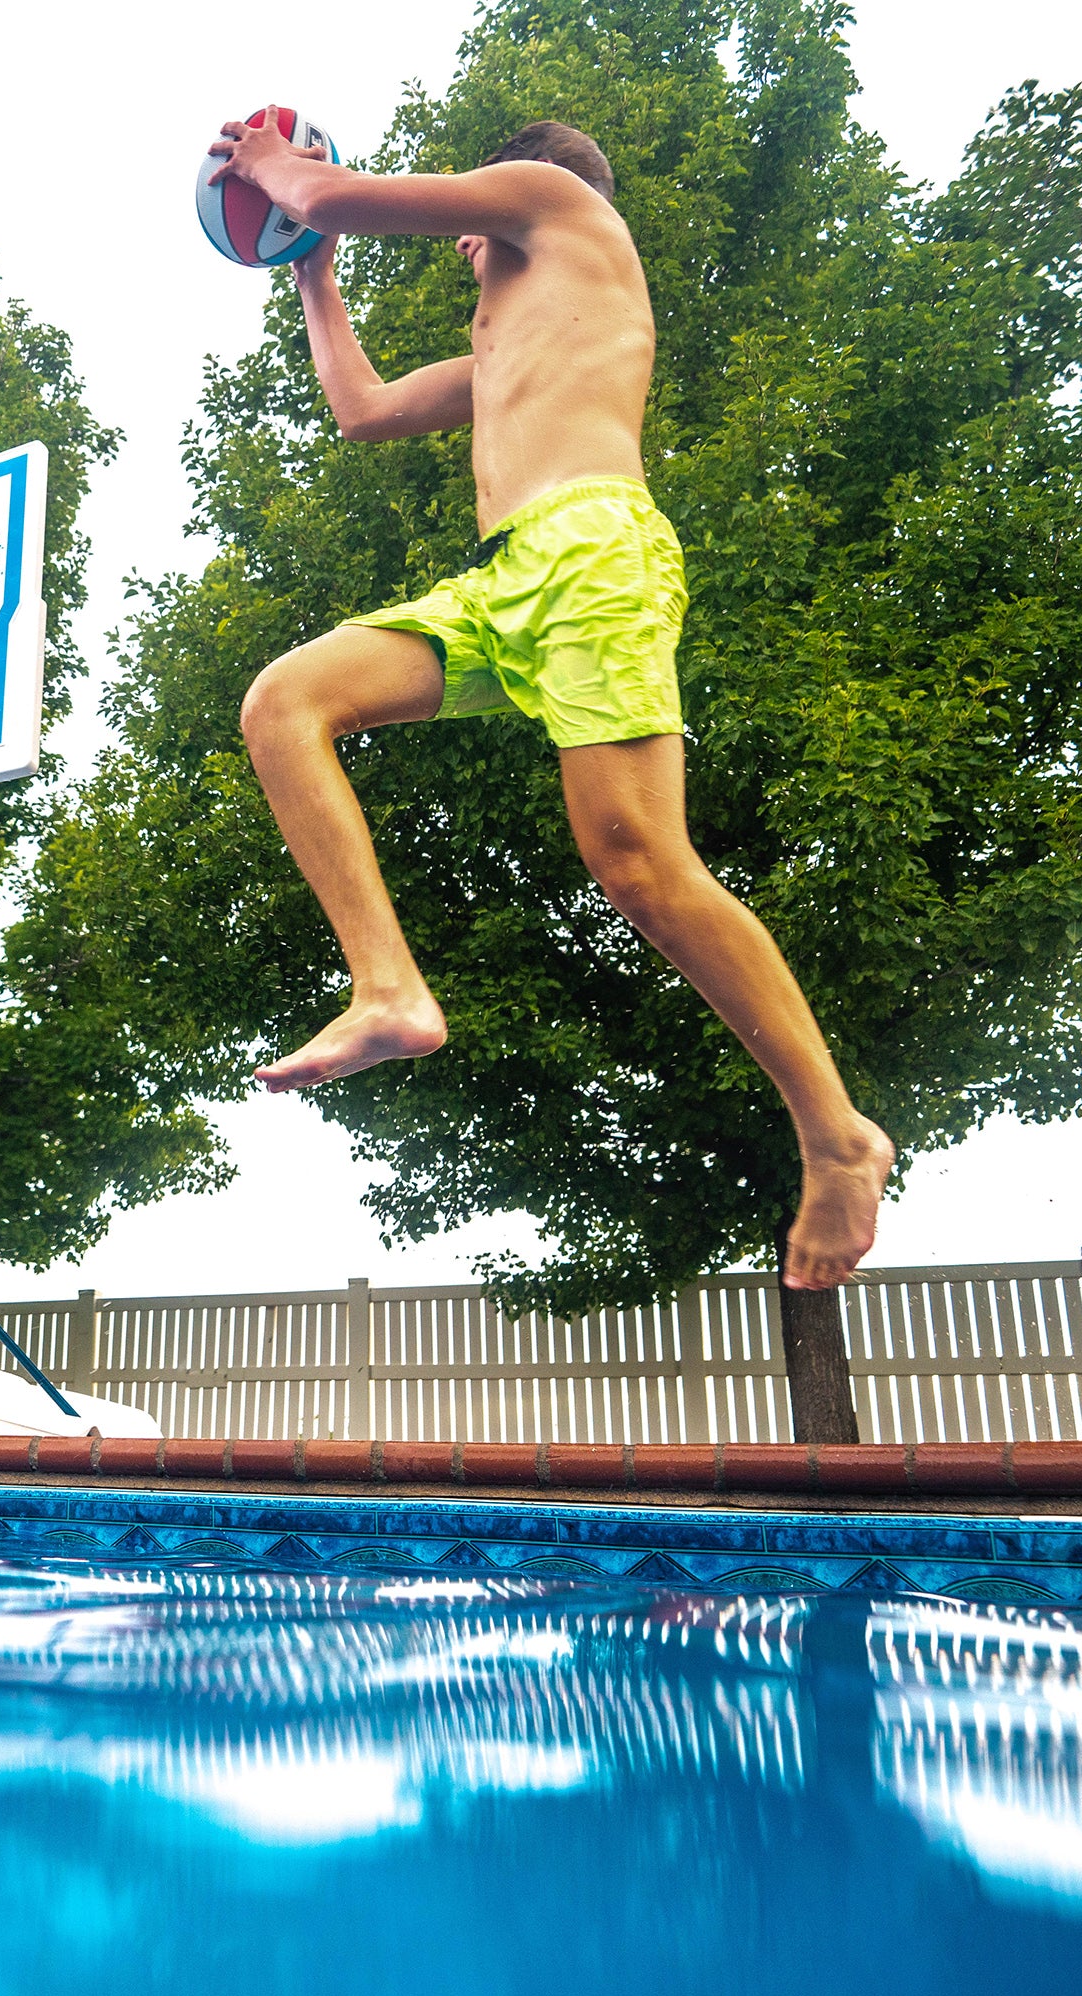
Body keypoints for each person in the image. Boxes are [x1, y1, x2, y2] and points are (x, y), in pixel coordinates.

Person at [208, 111, 893, 1290]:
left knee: (636, 865)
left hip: (595, 551)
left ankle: (835, 1134)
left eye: (470, 227)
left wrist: (271, 167)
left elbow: (327, 194)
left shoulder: (559, 200)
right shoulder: (502, 352)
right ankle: (387, 988)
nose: (464, 246)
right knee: (285, 703)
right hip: (504, 581)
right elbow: (361, 409)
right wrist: (309, 277)